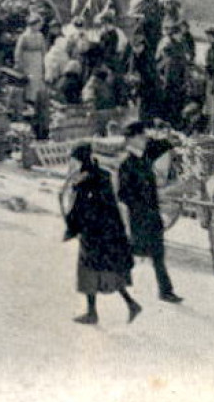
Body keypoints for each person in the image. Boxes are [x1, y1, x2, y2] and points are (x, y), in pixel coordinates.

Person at [62, 145, 141, 325]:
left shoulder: (84, 181)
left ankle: (93, 313)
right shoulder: (102, 174)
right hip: (109, 231)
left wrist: (71, 228)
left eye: (73, 160)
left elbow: (78, 209)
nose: (71, 164)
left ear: (79, 160)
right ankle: (130, 304)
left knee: (89, 271)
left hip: (94, 233)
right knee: (107, 271)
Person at [116, 121, 183, 304]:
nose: (145, 138)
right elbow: (123, 196)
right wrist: (133, 218)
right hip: (139, 217)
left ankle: (165, 291)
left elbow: (160, 146)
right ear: (132, 139)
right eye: (141, 136)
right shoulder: (126, 164)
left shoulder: (145, 157)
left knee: (157, 253)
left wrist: (169, 137)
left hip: (152, 216)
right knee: (134, 251)